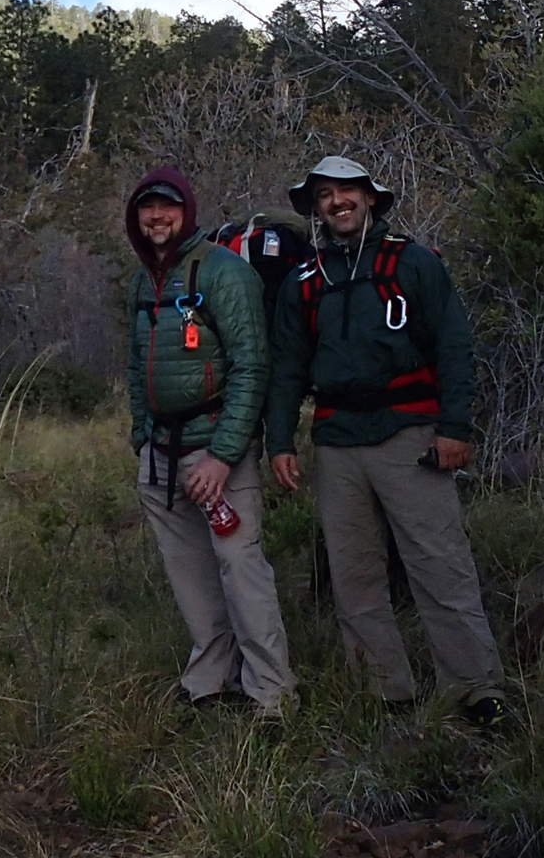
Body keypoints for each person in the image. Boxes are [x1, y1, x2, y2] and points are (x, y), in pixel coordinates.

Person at [266, 155, 507, 726]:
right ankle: (386, 694)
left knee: (440, 564)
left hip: (411, 436)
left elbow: (453, 346)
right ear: (316, 208)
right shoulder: (304, 282)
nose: (336, 202)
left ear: (370, 198)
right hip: (336, 441)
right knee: (354, 576)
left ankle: (478, 691)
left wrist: (454, 428)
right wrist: (280, 441)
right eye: (324, 195)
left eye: (347, 191)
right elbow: (286, 369)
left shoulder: (414, 264)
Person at [125, 167, 294, 714]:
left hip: (216, 450)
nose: (157, 216)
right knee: (189, 573)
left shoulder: (224, 274)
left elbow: (252, 366)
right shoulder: (142, 282)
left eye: (168, 207)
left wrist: (222, 457)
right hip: (160, 455)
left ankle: (271, 694)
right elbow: (134, 367)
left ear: (187, 212)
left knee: (240, 569)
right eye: (147, 208)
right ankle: (211, 681)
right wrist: (140, 438)